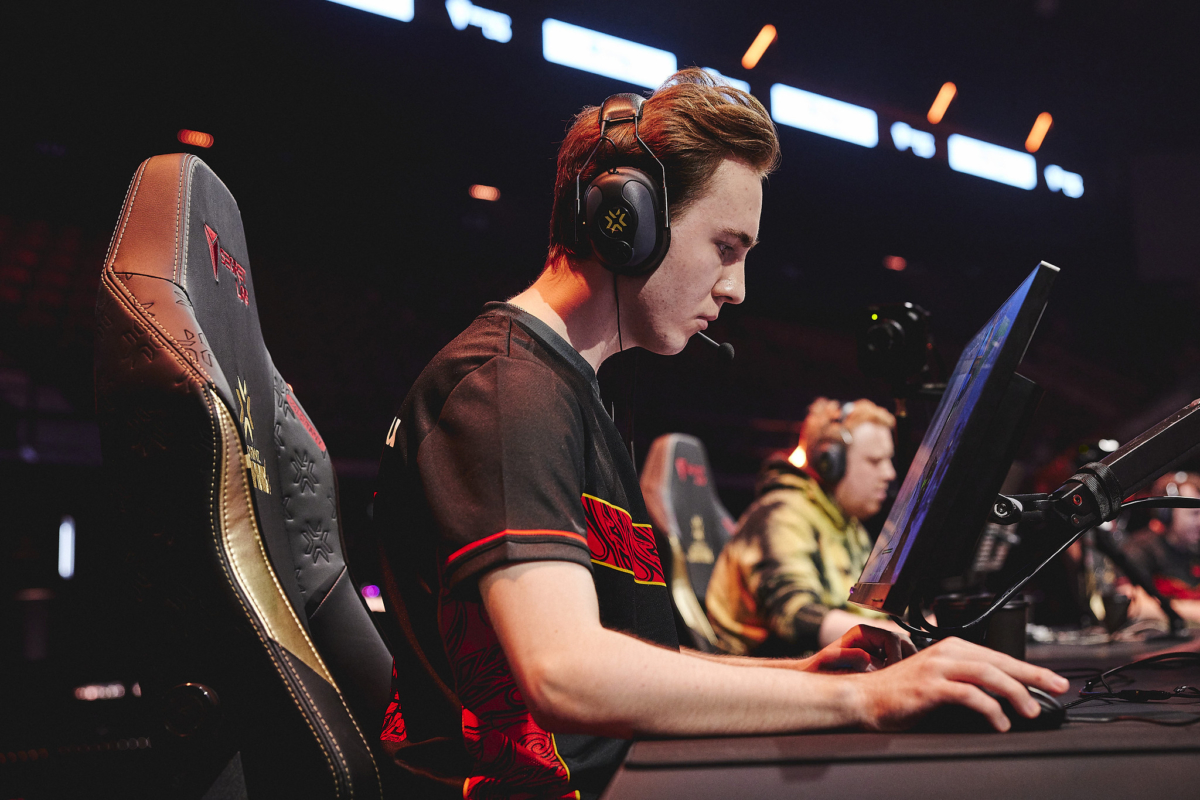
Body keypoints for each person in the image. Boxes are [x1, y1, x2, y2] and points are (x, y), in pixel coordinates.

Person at [370, 69, 1067, 800]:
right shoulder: (506, 389)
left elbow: (634, 666)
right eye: (726, 247)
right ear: (626, 223)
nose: (736, 289)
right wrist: (862, 698)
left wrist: (800, 677)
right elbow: (566, 674)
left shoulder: (572, 394)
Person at [707, 398, 905, 656]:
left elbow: (875, 612)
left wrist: (922, 629)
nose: (889, 473)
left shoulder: (849, 527)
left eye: (889, 460)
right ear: (830, 462)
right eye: (875, 461)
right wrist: (899, 636)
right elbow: (795, 616)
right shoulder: (781, 514)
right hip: (760, 671)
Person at [1121, 471, 1200, 623]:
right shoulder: (1140, 549)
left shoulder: (1195, 550)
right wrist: (1194, 612)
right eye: (1194, 514)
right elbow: (1130, 604)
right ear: (1166, 513)